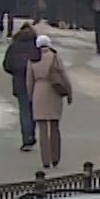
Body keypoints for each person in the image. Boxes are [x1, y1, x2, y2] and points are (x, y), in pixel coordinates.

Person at [26, 34, 72, 170]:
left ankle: (45, 160)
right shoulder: (55, 57)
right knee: (55, 127)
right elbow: (64, 75)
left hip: (38, 92)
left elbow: (29, 80)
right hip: (54, 92)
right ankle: (55, 158)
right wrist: (69, 92)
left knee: (43, 130)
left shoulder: (33, 58)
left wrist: (30, 96)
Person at [2, 22, 40, 152]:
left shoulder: (14, 46)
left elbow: (7, 65)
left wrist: (16, 73)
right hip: (35, 82)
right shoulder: (35, 46)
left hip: (19, 81)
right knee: (33, 109)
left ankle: (26, 138)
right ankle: (31, 134)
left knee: (24, 110)